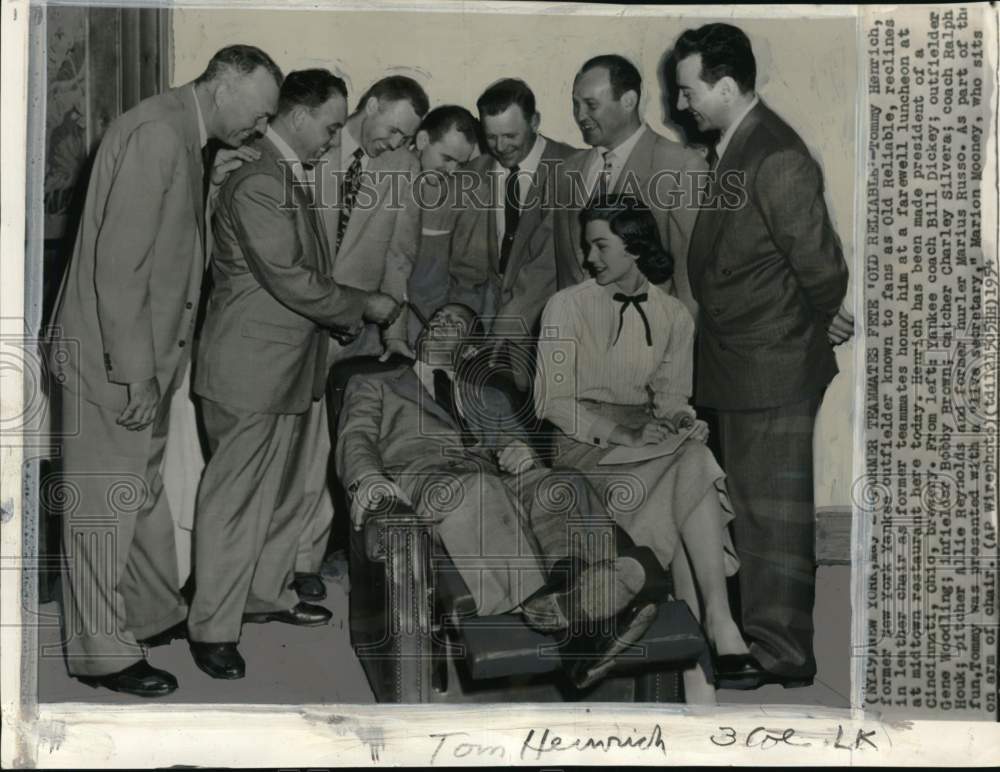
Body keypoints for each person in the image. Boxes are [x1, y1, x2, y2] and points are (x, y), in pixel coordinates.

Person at [46, 44, 283, 697]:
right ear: (224, 84)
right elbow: (118, 270)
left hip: (136, 355)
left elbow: (170, 241)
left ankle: (149, 614)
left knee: (139, 495)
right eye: (259, 114)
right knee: (102, 505)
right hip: (112, 358)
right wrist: (135, 373)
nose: (261, 128)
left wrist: (208, 187)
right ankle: (102, 657)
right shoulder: (157, 133)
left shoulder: (181, 134)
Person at [187, 69, 401, 680]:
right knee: (233, 504)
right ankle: (212, 629)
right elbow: (289, 276)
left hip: (278, 367)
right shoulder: (259, 180)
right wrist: (364, 304)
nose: (335, 140)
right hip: (248, 370)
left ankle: (262, 595)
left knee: (273, 498)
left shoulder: (280, 176)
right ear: (300, 115)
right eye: (332, 126)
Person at [673, 23, 850, 690]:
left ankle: (785, 655)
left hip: (769, 369)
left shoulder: (773, 156)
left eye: (688, 91)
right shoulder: (736, 145)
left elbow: (824, 273)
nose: (682, 102)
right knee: (751, 510)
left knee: (773, 520)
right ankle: (758, 635)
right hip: (741, 365)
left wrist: (800, 327)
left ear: (724, 87)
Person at [531, 195, 748, 703]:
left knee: (692, 457)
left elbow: (672, 399)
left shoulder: (674, 315)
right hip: (586, 446)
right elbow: (551, 400)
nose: (590, 258)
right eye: (588, 247)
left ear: (634, 247)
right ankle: (714, 639)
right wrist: (622, 434)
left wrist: (681, 421)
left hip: (651, 445)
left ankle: (707, 640)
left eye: (601, 245)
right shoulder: (566, 306)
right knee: (690, 478)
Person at [335, 303, 552, 617]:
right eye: (436, 318)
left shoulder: (491, 398)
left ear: (469, 351)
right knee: (476, 487)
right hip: (426, 483)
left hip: (497, 488)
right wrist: (367, 478)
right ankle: (546, 608)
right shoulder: (375, 383)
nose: (438, 323)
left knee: (560, 482)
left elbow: (522, 452)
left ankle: (594, 595)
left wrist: (526, 454)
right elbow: (356, 435)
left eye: (454, 324)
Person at [552, 55, 705, 317]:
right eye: (575, 105)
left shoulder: (681, 166)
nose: (580, 116)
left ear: (629, 101)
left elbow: (690, 276)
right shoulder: (565, 171)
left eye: (591, 105)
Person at [448, 79, 576, 350]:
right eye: (491, 136)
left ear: (534, 122)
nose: (500, 146)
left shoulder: (572, 167)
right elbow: (464, 268)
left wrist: (505, 327)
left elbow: (548, 264)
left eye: (510, 136)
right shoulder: (472, 174)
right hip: (483, 327)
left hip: (548, 328)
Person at [314, 74, 428, 361]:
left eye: (405, 137)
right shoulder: (315, 141)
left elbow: (399, 257)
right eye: (393, 130)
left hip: (346, 339)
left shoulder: (405, 167)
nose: (395, 143)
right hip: (291, 325)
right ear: (373, 106)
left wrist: (395, 334)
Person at [407, 105, 482, 345]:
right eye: (447, 158)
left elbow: (467, 273)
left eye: (460, 164)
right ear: (422, 140)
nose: (452, 170)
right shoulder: (387, 173)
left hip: (426, 326)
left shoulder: (467, 194)